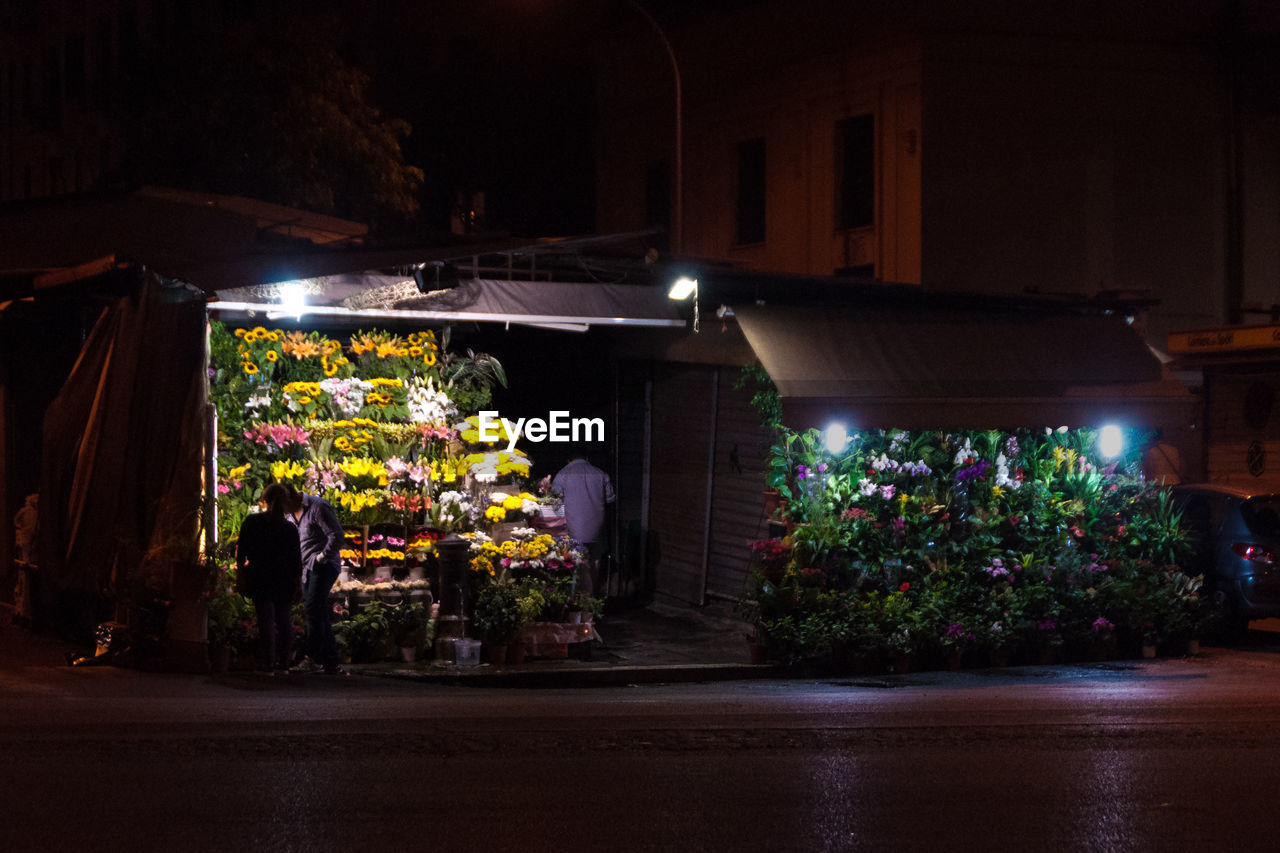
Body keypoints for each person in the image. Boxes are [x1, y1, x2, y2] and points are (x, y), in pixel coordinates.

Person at [235, 483, 303, 674]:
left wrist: (240, 576)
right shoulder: (289, 528)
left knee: (266, 620)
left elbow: (242, 554)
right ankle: (284, 664)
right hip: (283, 578)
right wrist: (298, 584)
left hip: (260, 575)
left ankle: (268, 663)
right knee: (284, 620)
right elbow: (296, 560)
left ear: (265, 500)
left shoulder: (252, 522)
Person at [282, 484, 345, 674]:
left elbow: (337, 535)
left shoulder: (318, 507)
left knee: (312, 609)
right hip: (306, 568)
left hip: (322, 565)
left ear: (293, 499)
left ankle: (315, 658)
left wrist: (321, 557)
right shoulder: (289, 515)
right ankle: (331, 661)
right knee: (317, 612)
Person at [551, 453, 616, 596]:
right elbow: (610, 499)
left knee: (580, 564)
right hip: (597, 526)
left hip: (574, 527)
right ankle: (594, 595)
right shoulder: (600, 474)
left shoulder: (563, 474)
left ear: (569, 459)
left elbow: (555, 502)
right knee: (596, 561)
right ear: (587, 457)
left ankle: (584, 598)